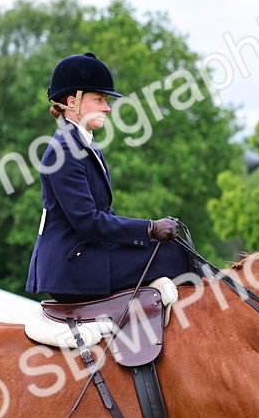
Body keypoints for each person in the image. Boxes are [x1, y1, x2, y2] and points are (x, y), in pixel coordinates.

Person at [26, 52, 191, 302]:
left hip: (89, 252)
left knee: (177, 247)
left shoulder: (85, 145)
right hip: (73, 266)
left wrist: (145, 235)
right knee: (172, 256)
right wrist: (150, 228)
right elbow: (88, 221)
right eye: (99, 99)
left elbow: (104, 213)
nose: (107, 107)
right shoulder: (63, 152)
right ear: (73, 102)